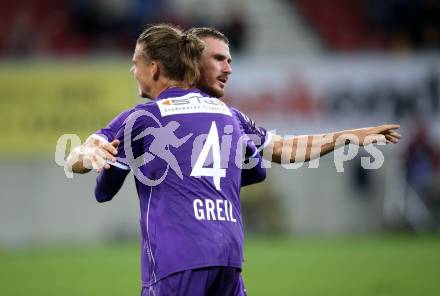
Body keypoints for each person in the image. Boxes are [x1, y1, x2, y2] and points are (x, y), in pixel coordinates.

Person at [66, 25, 401, 295]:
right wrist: (347, 137)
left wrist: (88, 154)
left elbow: (86, 167)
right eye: (219, 58)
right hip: (228, 256)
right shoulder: (230, 116)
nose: (228, 67)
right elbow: (275, 155)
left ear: (153, 67)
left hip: (177, 258)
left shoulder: (142, 118)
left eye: (136, 63)